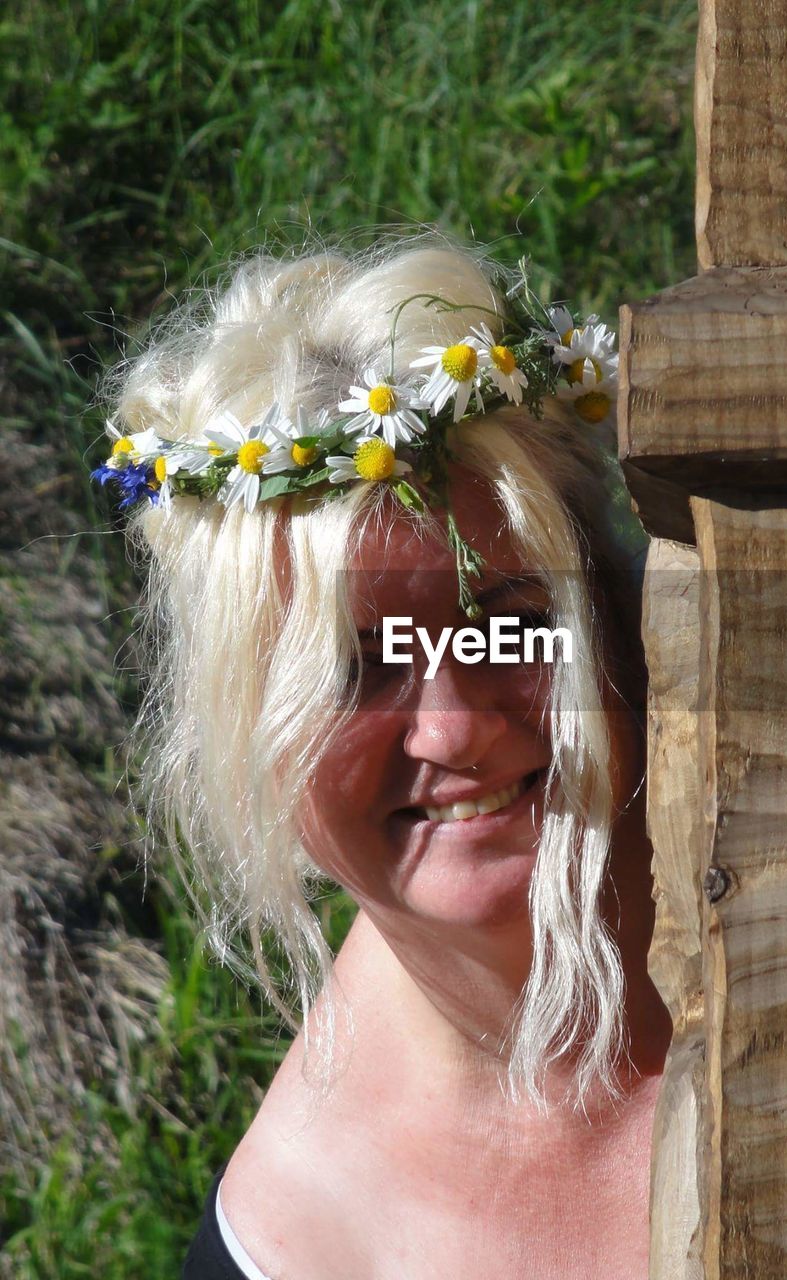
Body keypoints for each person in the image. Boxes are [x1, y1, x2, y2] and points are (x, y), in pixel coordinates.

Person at [94, 236, 673, 1279]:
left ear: (616, 605)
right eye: (354, 669)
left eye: (506, 620)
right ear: (247, 736)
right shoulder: (291, 1246)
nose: (453, 728)